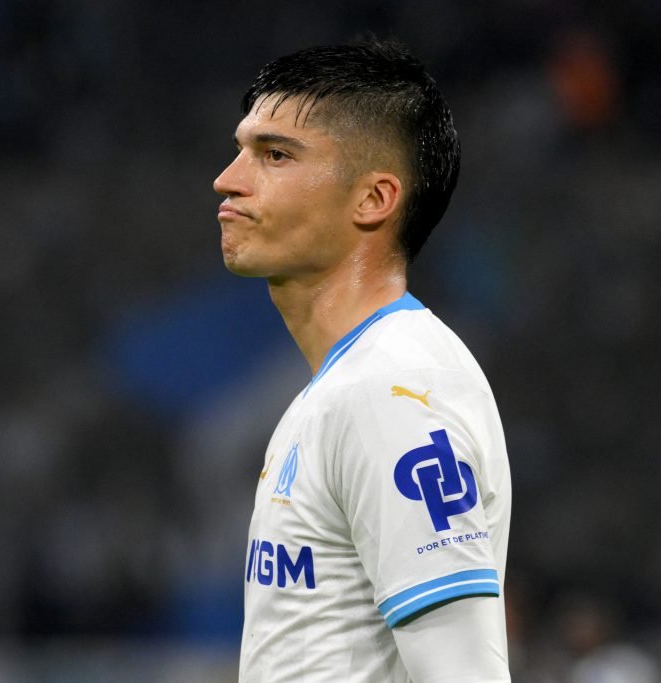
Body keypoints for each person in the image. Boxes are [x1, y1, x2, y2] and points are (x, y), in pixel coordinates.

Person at [213, 40, 512, 682]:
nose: (228, 178)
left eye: (275, 155)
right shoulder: (344, 386)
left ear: (374, 200)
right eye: (241, 149)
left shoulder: (395, 390)